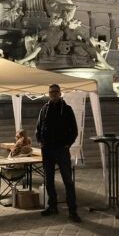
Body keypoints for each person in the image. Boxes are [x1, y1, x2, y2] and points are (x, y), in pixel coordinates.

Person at [35, 84, 81, 222]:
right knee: (48, 180)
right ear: (48, 94)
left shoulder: (67, 109)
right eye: (51, 92)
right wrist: (40, 141)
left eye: (56, 92)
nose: (53, 94)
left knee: (68, 180)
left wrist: (68, 144)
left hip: (61, 149)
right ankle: (52, 206)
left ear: (60, 93)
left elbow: (74, 129)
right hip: (47, 149)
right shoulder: (44, 109)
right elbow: (38, 127)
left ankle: (73, 210)